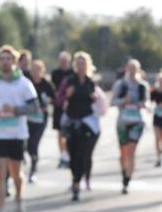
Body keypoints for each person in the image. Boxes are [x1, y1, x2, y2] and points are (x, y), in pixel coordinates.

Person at [0, 46, 38, 212]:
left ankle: (19, 197)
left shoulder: (23, 83)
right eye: (2, 58)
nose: (5, 61)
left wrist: (15, 110)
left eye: (8, 59)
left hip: (17, 133)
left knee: (15, 173)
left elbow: (34, 107)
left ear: (14, 62)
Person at [57, 51, 104, 202]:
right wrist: (67, 95)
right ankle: (75, 179)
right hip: (72, 121)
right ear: (75, 65)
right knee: (72, 153)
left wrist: (94, 98)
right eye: (79, 63)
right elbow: (58, 100)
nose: (81, 66)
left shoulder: (91, 82)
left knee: (83, 154)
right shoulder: (68, 81)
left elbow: (100, 103)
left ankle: (78, 181)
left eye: (84, 63)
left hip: (87, 122)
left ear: (88, 65)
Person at [110, 60, 149, 194]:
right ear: (126, 69)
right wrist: (123, 101)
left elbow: (147, 103)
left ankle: (127, 179)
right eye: (130, 68)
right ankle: (124, 172)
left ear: (138, 70)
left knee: (131, 151)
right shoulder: (120, 84)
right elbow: (112, 101)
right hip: (122, 122)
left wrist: (142, 104)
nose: (132, 70)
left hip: (137, 122)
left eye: (135, 68)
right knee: (123, 152)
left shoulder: (143, 86)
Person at [25, 60, 56, 183]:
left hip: (40, 118)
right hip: (27, 117)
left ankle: (33, 168)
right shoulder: (27, 83)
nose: (36, 71)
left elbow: (55, 98)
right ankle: (31, 157)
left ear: (42, 71)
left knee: (34, 142)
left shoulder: (46, 84)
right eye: (33, 69)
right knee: (27, 142)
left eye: (38, 69)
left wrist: (48, 100)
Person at [50, 51, 73, 169]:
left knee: (69, 132)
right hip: (59, 106)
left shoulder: (72, 73)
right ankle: (62, 155)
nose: (63, 63)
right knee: (60, 132)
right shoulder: (55, 73)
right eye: (61, 61)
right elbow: (53, 89)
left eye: (65, 61)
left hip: (71, 106)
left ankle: (69, 154)